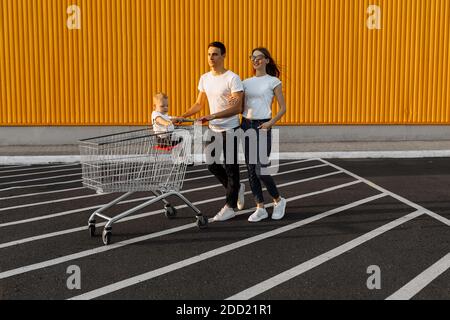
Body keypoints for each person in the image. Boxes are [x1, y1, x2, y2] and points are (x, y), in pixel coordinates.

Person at [178, 41, 245, 221]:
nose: (211, 58)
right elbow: (199, 103)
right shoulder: (205, 78)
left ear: (223, 56)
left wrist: (212, 116)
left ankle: (230, 206)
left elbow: (237, 108)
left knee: (231, 169)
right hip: (213, 129)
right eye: (209, 54)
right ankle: (236, 189)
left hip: (230, 128)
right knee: (212, 164)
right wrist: (183, 116)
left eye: (215, 54)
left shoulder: (233, 78)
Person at [241, 47, 287, 222]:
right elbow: (240, 104)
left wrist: (270, 123)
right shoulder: (245, 82)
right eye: (252, 57)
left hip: (263, 126)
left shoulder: (273, 81)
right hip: (245, 125)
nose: (255, 60)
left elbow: (283, 108)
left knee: (261, 169)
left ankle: (278, 200)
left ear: (267, 60)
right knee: (251, 169)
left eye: (259, 57)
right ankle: (260, 207)